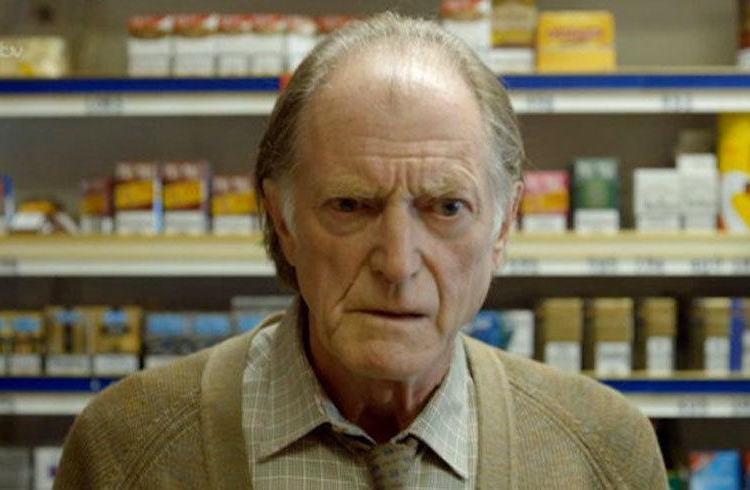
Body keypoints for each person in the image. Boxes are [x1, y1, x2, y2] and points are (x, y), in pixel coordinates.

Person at [55, 12, 667, 489]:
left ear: (504, 228)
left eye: (446, 208)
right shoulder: (126, 448)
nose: (398, 264)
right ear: (284, 222)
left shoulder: (604, 451)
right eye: (350, 206)